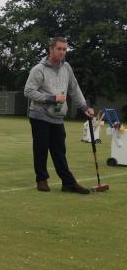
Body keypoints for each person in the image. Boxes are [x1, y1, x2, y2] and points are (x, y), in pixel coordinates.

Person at [24, 37, 95, 194]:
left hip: (57, 116)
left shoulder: (66, 67)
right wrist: (51, 98)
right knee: (41, 148)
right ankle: (41, 179)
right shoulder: (38, 69)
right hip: (39, 115)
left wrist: (84, 107)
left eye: (65, 49)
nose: (62, 52)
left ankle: (68, 183)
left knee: (59, 150)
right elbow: (28, 91)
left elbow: (74, 89)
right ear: (51, 49)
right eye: (59, 49)